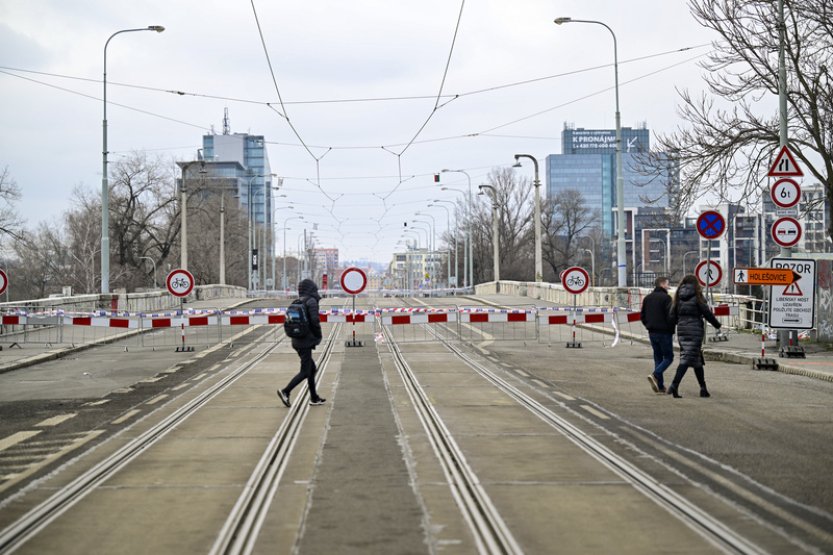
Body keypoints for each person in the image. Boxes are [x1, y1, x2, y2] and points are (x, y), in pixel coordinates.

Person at [666, 275, 721, 399]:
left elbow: (672, 315)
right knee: (686, 358)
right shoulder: (697, 296)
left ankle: (703, 388)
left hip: (682, 330)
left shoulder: (678, 297)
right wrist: (716, 324)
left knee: (696, 360)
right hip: (695, 330)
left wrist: (677, 325)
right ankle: (674, 385)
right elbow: (706, 312)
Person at [278, 278, 326, 407]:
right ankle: (285, 391)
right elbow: (315, 321)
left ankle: (314, 397)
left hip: (297, 340)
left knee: (311, 368)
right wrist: (318, 335)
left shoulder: (298, 301)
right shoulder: (311, 301)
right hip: (305, 342)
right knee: (305, 371)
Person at [640, 276, 674, 394]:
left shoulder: (647, 298)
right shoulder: (666, 298)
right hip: (664, 332)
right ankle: (655, 375)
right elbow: (671, 316)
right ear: (662, 284)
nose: (668, 286)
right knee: (669, 357)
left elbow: (642, 316)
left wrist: (649, 326)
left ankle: (660, 386)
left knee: (658, 358)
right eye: (667, 284)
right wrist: (671, 328)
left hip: (652, 332)